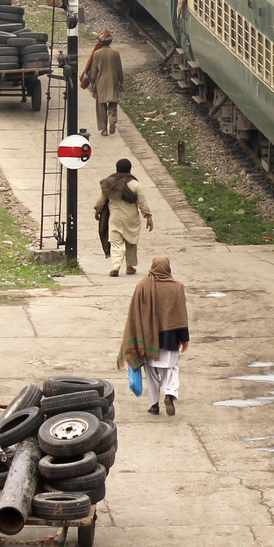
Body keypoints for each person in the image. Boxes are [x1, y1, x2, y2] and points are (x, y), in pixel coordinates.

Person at [119, 255, 189, 416]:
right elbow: (181, 315)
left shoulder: (143, 286)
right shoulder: (177, 287)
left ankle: (154, 405)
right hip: (171, 337)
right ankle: (170, 393)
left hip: (148, 337)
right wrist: (184, 339)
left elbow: (134, 314)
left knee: (151, 372)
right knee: (170, 369)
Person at [93, 158, 153, 277]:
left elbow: (101, 200)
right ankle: (129, 267)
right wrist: (148, 217)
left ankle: (115, 267)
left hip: (116, 217)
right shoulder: (135, 184)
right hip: (132, 218)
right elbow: (142, 203)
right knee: (131, 241)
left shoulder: (109, 183)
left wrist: (97, 210)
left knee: (116, 242)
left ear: (116, 169)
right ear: (130, 170)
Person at [81, 29, 123, 135]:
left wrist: (93, 83)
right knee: (113, 103)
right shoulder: (115, 53)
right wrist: (121, 82)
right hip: (113, 81)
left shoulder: (97, 54)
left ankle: (104, 129)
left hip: (101, 83)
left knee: (101, 106)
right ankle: (112, 120)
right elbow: (119, 69)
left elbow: (94, 70)